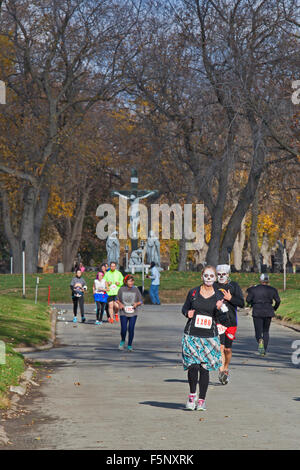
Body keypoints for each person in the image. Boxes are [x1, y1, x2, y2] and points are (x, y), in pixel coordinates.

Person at [181, 266, 227, 411]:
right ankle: (192, 395)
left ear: (214, 278)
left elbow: (224, 318)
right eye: (206, 275)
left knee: (204, 368)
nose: (208, 278)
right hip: (192, 334)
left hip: (209, 337)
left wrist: (220, 309)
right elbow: (184, 308)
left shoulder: (219, 296)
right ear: (202, 276)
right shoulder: (193, 292)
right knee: (193, 366)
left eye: (211, 276)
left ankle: (201, 400)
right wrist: (187, 313)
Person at [214, 264, 245, 385]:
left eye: (224, 274)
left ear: (228, 274)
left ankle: (226, 367)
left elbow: (242, 303)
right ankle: (222, 371)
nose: (221, 276)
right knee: (220, 347)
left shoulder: (234, 286)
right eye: (219, 274)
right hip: (218, 321)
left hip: (231, 322)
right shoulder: (213, 286)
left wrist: (231, 298)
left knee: (227, 348)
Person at [246, 273, 281, 356]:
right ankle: (264, 349)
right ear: (268, 281)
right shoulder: (273, 289)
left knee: (258, 331)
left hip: (257, 310)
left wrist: (251, 303)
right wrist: (274, 308)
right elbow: (278, 300)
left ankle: (260, 340)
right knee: (266, 331)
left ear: (260, 280)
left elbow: (248, 299)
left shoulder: (254, 289)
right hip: (268, 310)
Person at [116, 275, 143, 351]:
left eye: (132, 281)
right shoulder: (121, 289)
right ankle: (122, 340)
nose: (131, 283)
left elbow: (141, 301)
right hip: (123, 312)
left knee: (131, 328)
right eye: (130, 281)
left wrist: (136, 304)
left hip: (133, 312)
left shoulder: (136, 290)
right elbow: (116, 299)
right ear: (126, 282)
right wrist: (120, 304)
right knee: (124, 329)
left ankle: (130, 345)